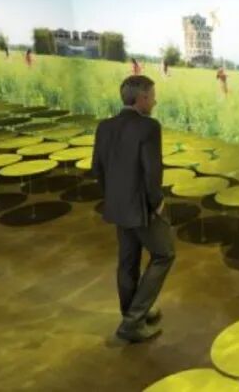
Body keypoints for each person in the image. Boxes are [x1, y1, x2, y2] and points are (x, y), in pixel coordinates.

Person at [91, 75, 172, 343]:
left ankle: (131, 314)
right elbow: (152, 172)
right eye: (152, 97)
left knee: (128, 262)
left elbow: (97, 169)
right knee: (164, 255)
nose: (155, 101)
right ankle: (133, 321)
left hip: (117, 205)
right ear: (142, 99)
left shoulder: (104, 126)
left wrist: (113, 196)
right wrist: (157, 203)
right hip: (142, 208)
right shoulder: (149, 127)